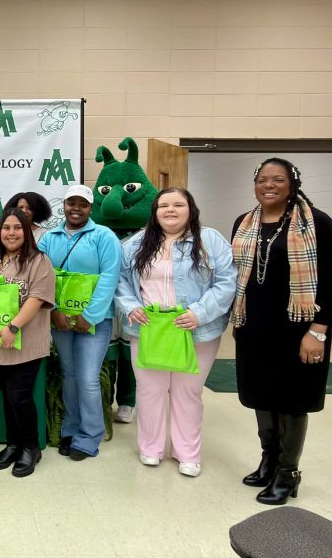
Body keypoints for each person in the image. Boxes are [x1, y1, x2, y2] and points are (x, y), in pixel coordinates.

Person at [115, 188, 236, 477]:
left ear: (190, 208)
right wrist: (130, 306)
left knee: (188, 392)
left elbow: (227, 282)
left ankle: (187, 453)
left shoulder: (211, 240)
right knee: (150, 390)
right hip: (148, 328)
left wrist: (199, 313)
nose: (171, 210)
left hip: (196, 329)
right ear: (154, 211)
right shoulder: (136, 243)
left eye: (178, 204)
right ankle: (150, 448)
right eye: (164, 205)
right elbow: (119, 280)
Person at [231, 158, 331, 505]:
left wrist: (318, 331)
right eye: (262, 179)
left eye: (277, 179)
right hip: (255, 327)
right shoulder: (244, 223)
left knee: (292, 401)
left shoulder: (317, 223)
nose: (268, 185)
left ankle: (288, 473)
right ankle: (269, 459)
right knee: (261, 395)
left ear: (293, 184)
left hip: (300, 330)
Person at [0, 208, 55, 478]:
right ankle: (13, 444)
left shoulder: (39, 261)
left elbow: (37, 298)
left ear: (27, 231)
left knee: (20, 396)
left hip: (26, 342)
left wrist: (13, 326)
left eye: (18, 228)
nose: (11, 233)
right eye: (6, 228)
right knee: (8, 396)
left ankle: (30, 447)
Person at [38, 185, 121, 461]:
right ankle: (70, 429)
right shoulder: (49, 238)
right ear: (64, 205)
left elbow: (110, 277)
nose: (76, 208)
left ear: (90, 207)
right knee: (69, 375)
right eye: (71, 203)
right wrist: (53, 311)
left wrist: (90, 316)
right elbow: (40, 275)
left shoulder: (104, 236)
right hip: (60, 318)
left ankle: (89, 435)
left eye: (82, 204)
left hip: (94, 322)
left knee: (87, 380)